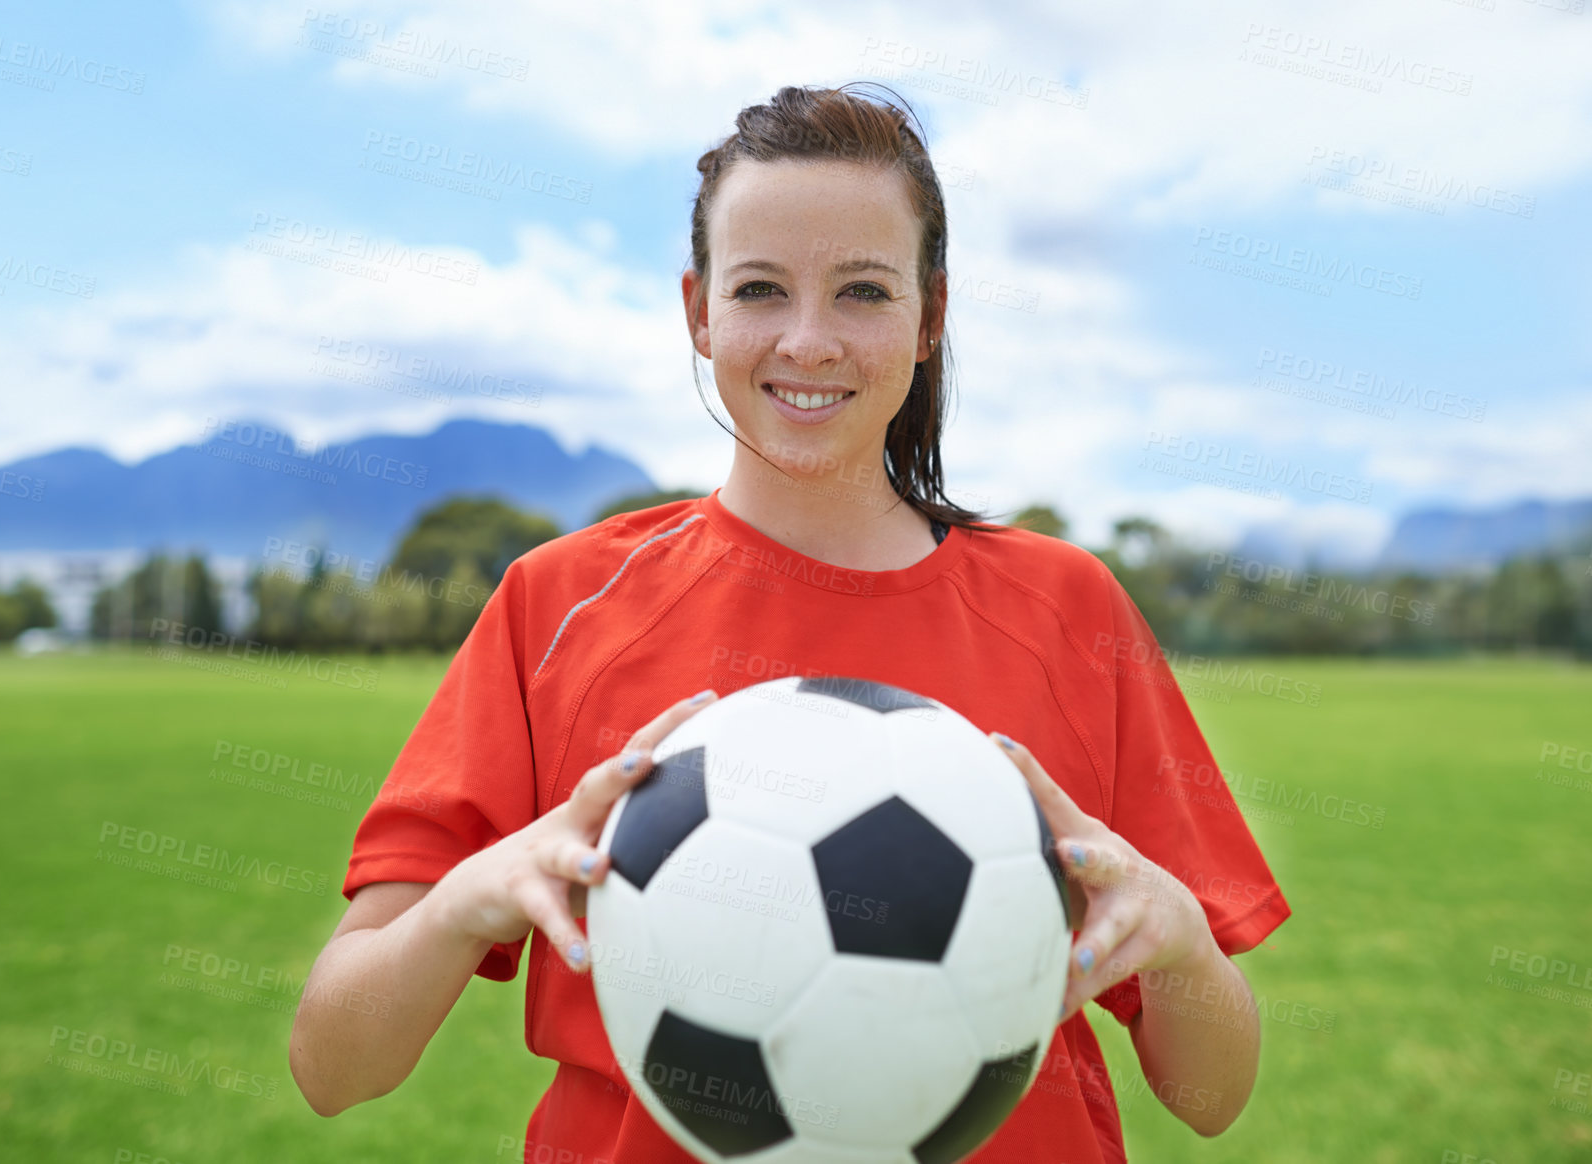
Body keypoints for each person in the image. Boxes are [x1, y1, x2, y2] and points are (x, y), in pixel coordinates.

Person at [289, 83, 1290, 1164]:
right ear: (699, 311)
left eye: (863, 291)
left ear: (930, 318)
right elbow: (335, 1066)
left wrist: (1181, 945)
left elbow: (1211, 1096)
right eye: (761, 288)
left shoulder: (1068, 611)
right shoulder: (559, 602)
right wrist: (466, 903)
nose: (809, 342)